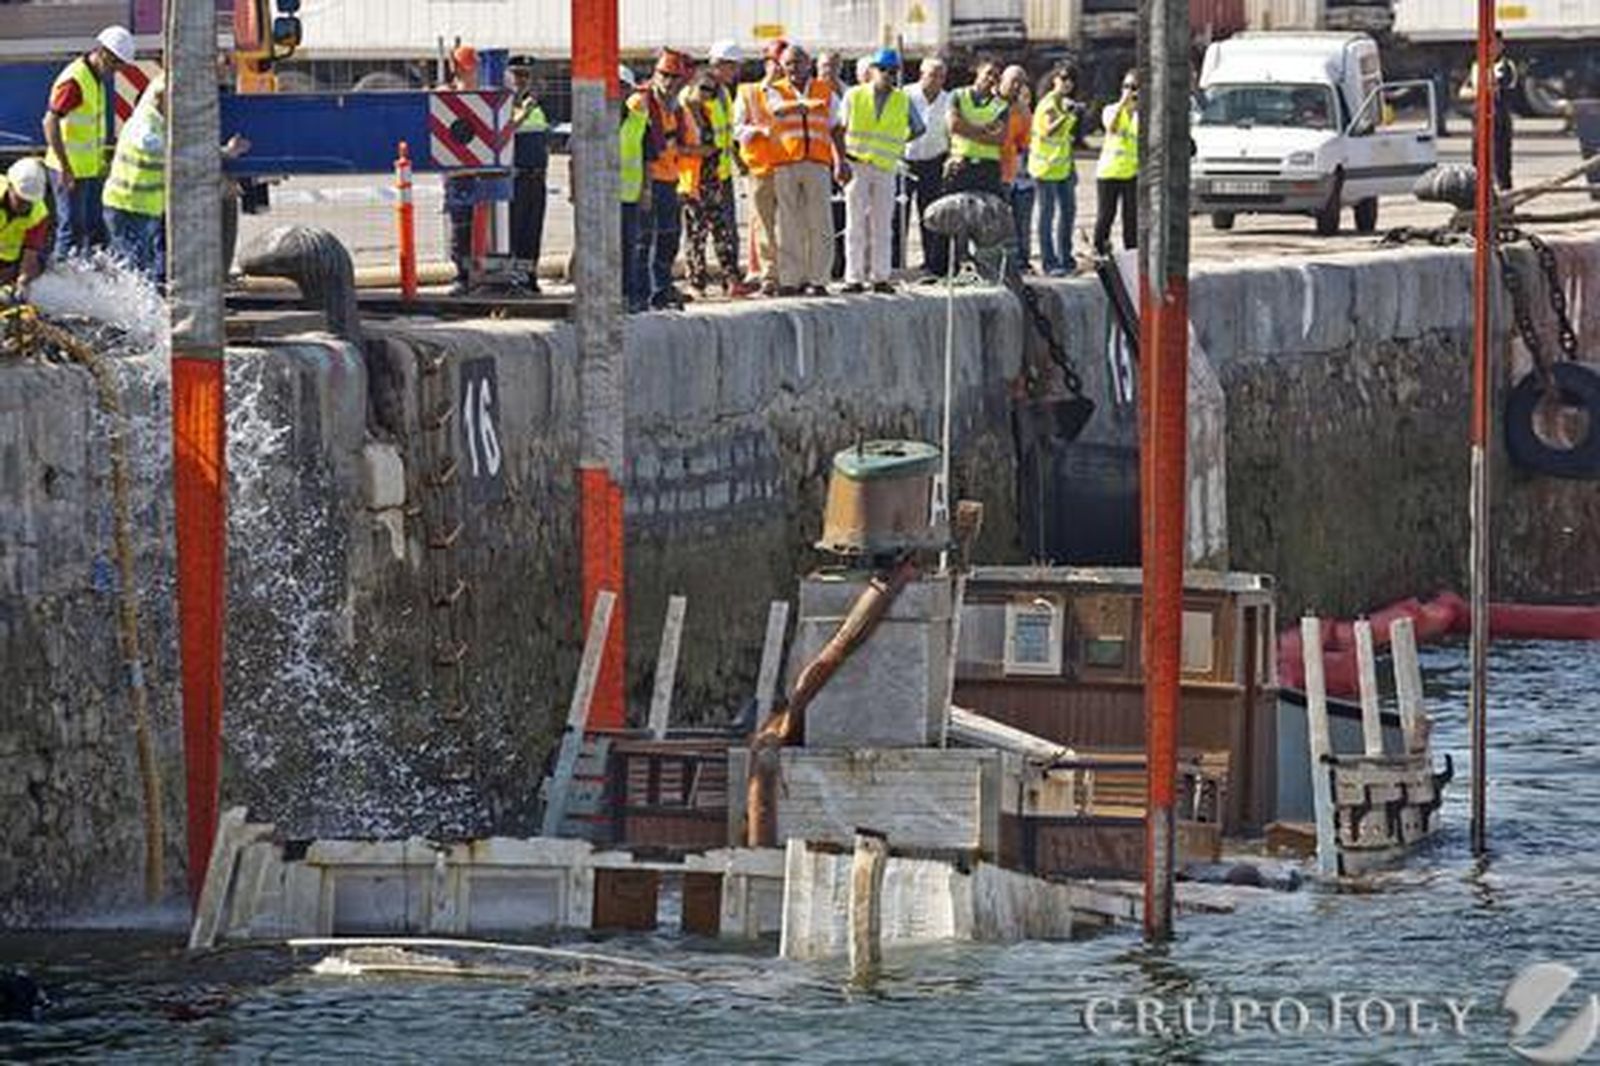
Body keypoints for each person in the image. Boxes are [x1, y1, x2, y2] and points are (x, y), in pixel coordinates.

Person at [101, 72, 250, 283]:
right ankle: (131, 312)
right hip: (126, 207)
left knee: (143, 267)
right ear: (161, 99)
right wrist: (223, 153)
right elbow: (177, 154)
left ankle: (146, 308)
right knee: (131, 268)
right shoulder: (145, 127)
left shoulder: (159, 121)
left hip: (142, 207)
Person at [41, 25, 134, 257]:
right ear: (103, 53)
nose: (116, 71)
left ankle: (84, 281)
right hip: (69, 170)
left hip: (86, 169)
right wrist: (65, 167)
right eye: (116, 64)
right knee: (70, 231)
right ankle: (63, 285)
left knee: (91, 229)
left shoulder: (96, 77)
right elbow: (49, 122)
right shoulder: (75, 81)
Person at [840, 48, 922, 294]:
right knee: (855, 223)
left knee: (883, 225)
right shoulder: (854, 95)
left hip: (885, 168)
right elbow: (840, 127)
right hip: (857, 164)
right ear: (872, 71)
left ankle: (880, 277)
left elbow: (919, 128)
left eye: (893, 71)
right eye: (883, 70)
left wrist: (897, 143)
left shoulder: (902, 100)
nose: (888, 75)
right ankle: (853, 277)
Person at [769, 44, 846, 296]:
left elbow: (836, 128)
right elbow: (776, 110)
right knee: (789, 222)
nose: (793, 68)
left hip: (817, 162)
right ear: (782, 66)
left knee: (820, 221)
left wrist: (840, 161)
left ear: (808, 64)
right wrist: (805, 105)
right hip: (785, 162)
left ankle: (819, 279)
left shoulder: (825, 92)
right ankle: (791, 279)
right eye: (788, 63)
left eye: (798, 62)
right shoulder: (774, 90)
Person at [678, 43, 752, 299]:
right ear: (720, 64)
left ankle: (730, 279)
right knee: (699, 228)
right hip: (701, 171)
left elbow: (726, 131)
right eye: (734, 66)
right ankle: (697, 282)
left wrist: (737, 159)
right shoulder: (706, 82)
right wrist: (705, 133)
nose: (737, 71)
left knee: (721, 228)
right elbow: (691, 102)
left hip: (717, 170)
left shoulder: (722, 90)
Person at [630, 49, 691, 309]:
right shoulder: (640, 102)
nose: (668, 81)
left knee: (668, 237)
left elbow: (688, 143)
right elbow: (638, 144)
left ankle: (661, 290)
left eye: (673, 77)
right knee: (644, 240)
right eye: (664, 75)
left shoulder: (677, 108)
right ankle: (642, 294)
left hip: (669, 180)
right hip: (646, 180)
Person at [734, 39, 787, 295]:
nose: (779, 68)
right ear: (766, 64)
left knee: (791, 224)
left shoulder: (792, 92)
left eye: (783, 63)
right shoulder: (749, 92)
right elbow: (737, 129)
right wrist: (759, 132)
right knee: (763, 225)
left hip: (790, 166)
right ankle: (768, 276)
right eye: (775, 63)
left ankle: (788, 273)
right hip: (761, 167)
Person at [1030, 63, 1084, 276]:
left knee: (1069, 213)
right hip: (1045, 169)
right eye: (1062, 78)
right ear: (1054, 79)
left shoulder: (1064, 103)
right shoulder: (1048, 103)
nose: (1067, 82)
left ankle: (1066, 259)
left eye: (1070, 79)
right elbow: (1049, 132)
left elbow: (1066, 140)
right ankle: (1049, 262)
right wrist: (1067, 115)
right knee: (1047, 215)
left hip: (1063, 167)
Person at [904, 56, 951, 279]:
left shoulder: (948, 99)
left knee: (931, 215)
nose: (937, 80)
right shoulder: (906, 94)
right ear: (922, 74)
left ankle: (933, 264)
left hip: (934, 161)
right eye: (932, 75)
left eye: (941, 76)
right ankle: (896, 264)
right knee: (899, 215)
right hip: (906, 161)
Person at [508, 58, 550, 292]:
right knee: (515, 232)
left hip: (537, 179)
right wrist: (522, 113)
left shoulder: (535, 108)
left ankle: (528, 277)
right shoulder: (505, 107)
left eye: (526, 76)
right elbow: (504, 133)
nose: (522, 81)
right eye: (518, 75)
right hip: (517, 179)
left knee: (532, 233)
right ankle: (514, 277)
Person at [1464, 32, 1518, 190]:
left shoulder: (1506, 66)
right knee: (1478, 159)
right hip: (1479, 117)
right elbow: (1464, 90)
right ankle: (1480, 197)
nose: (1491, 48)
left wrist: (1483, 89)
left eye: (1495, 44)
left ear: (1501, 46)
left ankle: (1505, 199)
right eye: (1488, 44)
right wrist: (1480, 90)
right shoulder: (1477, 65)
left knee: (1501, 161)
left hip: (1499, 116)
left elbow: (1498, 89)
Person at [1094, 68, 1139, 256]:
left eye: (1134, 87)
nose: (1129, 91)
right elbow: (1110, 126)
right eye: (1126, 86)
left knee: (1131, 218)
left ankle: (1132, 254)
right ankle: (1100, 250)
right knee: (1106, 216)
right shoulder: (1111, 109)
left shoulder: (1143, 115)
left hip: (1131, 173)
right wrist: (1123, 103)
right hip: (1108, 172)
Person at [618, 65, 652, 313]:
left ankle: (627, 296)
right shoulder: (593, 119)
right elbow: (575, 156)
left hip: (628, 197)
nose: (616, 91)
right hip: (599, 198)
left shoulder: (639, 121)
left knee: (629, 247)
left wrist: (646, 192)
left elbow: (647, 159)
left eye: (621, 87)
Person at [998, 65, 1034, 271]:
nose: (1016, 86)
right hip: (989, 169)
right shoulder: (990, 101)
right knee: (994, 221)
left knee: (1017, 221)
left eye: (1020, 82)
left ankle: (1018, 262)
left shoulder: (1022, 110)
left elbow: (1023, 144)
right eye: (1013, 81)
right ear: (1002, 80)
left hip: (1010, 172)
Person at [0, 159, 51, 303]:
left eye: (29, 202)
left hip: (7, 263)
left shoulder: (39, 215)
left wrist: (23, 281)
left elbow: (31, 254)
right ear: (10, 187)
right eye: (20, 199)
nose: (24, 206)